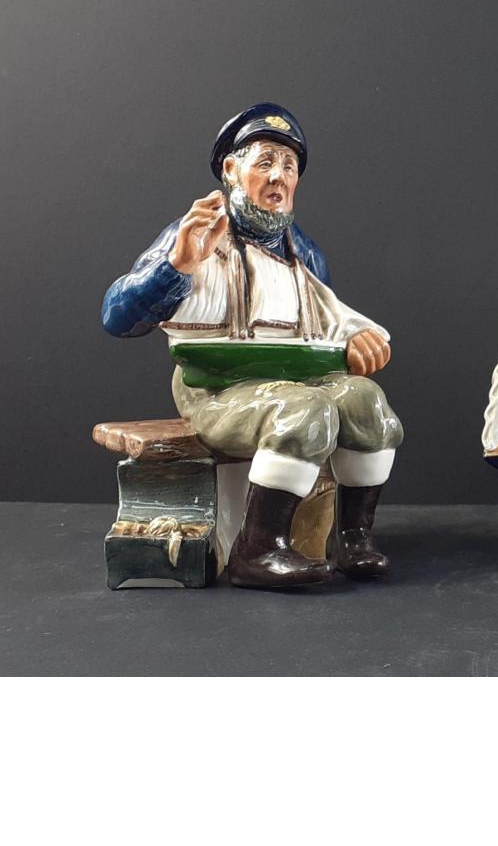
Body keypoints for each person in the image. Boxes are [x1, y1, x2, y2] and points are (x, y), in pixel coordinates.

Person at [102, 104, 403, 589]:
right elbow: (117, 317)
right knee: (303, 411)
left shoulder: (303, 252)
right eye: (265, 162)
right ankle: (258, 549)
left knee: (368, 405)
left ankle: (353, 537)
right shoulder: (196, 231)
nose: (278, 177)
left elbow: (328, 317)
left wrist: (356, 336)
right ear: (231, 170)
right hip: (217, 388)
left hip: (298, 377)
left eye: (289, 166)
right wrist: (178, 264)